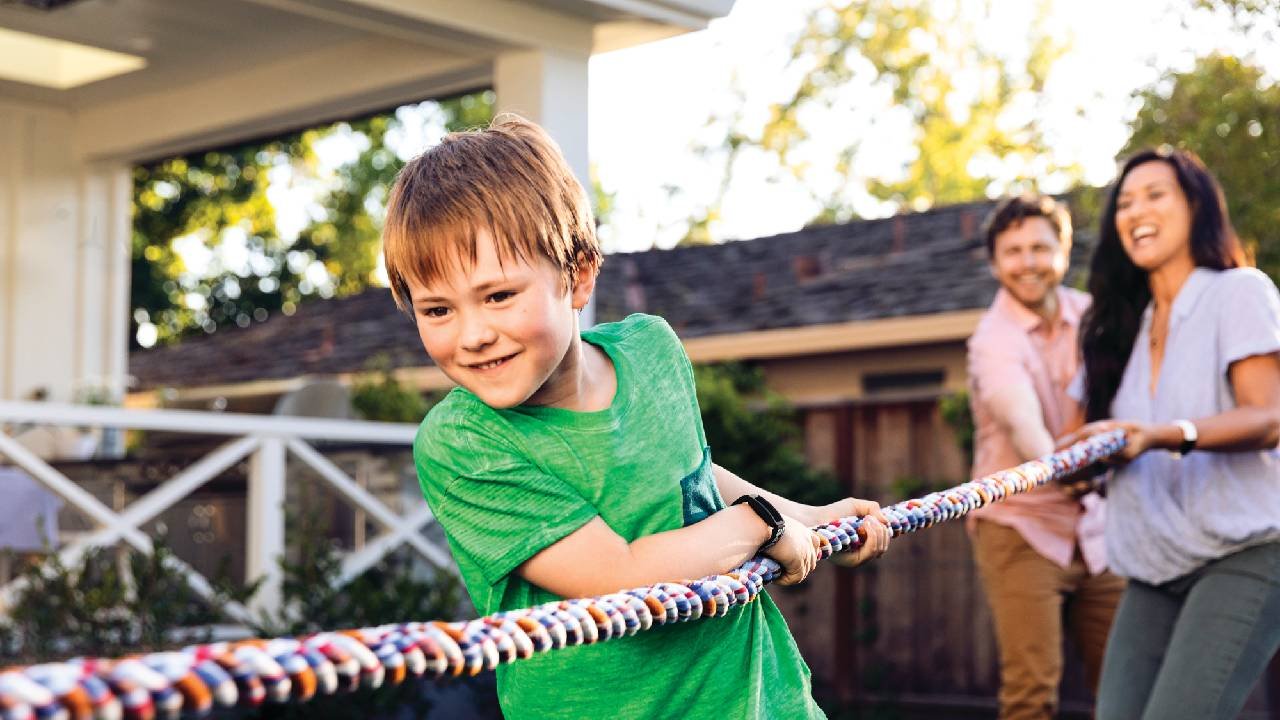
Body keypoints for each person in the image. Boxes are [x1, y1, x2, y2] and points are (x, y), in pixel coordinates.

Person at [380, 114, 892, 720]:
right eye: (437, 310)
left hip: (760, 698)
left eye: (498, 296)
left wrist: (805, 514)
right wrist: (764, 527)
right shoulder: (464, 443)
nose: (472, 336)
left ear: (578, 274)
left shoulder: (650, 351)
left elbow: (687, 469)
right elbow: (616, 575)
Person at [1064, 147, 1280, 719]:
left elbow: (1268, 418)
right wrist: (1082, 465)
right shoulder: (1117, 329)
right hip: (1155, 567)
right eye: (1125, 203)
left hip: (1246, 553)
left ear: (1196, 207)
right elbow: (1096, 439)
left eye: (1155, 195)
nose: (1136, 211)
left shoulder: (1238, 291)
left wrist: (1160, 435)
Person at [965, 194, 1123, 720]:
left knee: (1127, 685)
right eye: (1013, 252)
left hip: (1098, 526)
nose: (1027, 262)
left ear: (1063, 249)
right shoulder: (994, 340)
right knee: (1032, 694)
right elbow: (1023, 423)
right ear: (994, 263)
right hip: (1020, 527)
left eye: (1039, 247)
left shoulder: (1093, 315)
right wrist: (1068, 469)